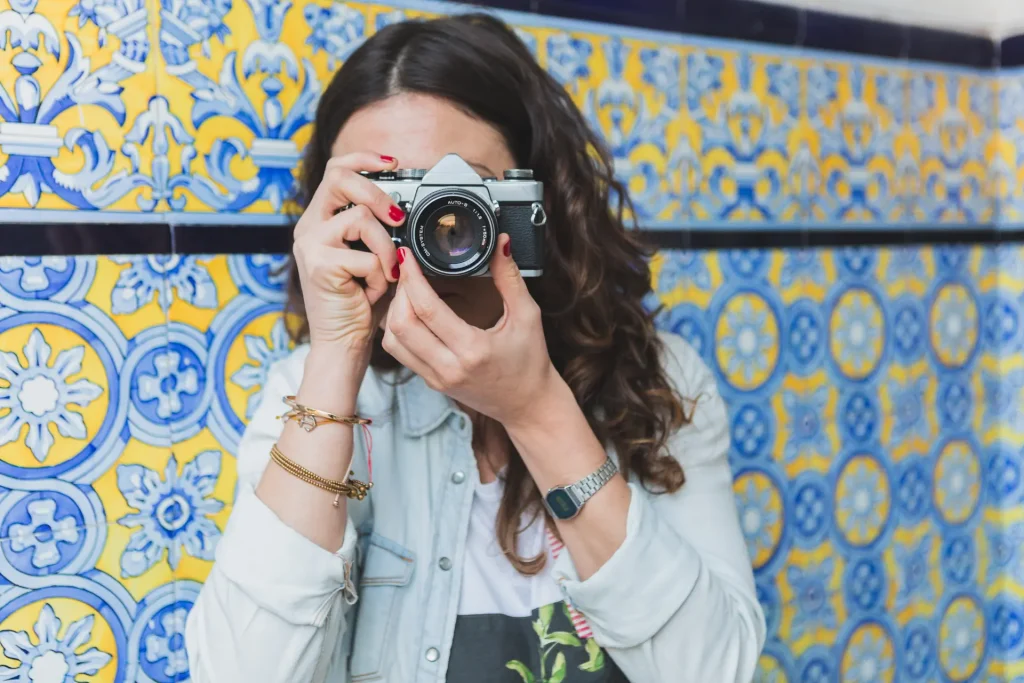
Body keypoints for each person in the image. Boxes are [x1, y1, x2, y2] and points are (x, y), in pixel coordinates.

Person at [185, 12, 765, 683]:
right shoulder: (312, 397)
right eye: (391, 200)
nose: (439, 225)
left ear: (533, 198)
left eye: (460, 193)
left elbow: (720, 671)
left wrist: (536, 408)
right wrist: (334, 360)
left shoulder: (656, 381)